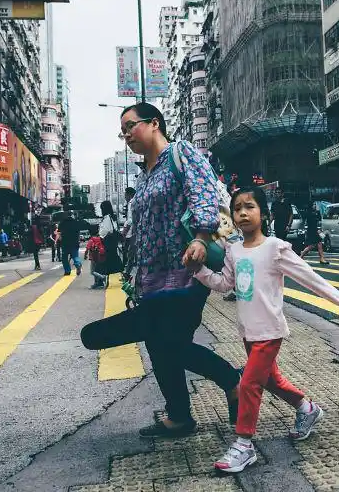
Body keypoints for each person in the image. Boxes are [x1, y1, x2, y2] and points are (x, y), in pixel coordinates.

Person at [81, 102, 242, 438]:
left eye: (130, 126)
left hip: (187, 269)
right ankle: (180, 416)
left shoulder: (180, 153)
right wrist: (132, 274)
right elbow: (141, 228)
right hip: (153, 276)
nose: (126, 135)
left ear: (154, 123)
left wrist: (200, 237)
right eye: (122, 131)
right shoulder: (146, 175)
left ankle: (232, 381)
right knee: (160, 344)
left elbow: (204, 194)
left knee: (168, 341)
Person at [194, 187, 339, 472]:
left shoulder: (275, 248)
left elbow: (310, 278)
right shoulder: (233, 251)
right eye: (237, 209)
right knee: (270, 380)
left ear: (264, 213)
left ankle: (244, 445)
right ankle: (307, 409)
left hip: (269, 331)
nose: (243, 213)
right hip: (248, 331)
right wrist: (198, 271)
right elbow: (225, 284)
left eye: (250, 206)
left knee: (248, 383)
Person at [57, 211, 85, 276]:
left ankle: (67, 271)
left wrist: (59, 240)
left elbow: (59, 232)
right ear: (72, 215)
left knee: (64, 258)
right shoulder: (75, 222)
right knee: (75, 256)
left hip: (65, 243)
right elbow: (78, 232)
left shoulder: (62, 222)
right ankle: (78, 264)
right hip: (74, 242)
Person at [122, 187, 137, 268]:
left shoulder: (131, 203)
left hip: (131, 233)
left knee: (129, 254)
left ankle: (127, 274)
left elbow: (130, 220)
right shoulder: (136, 201)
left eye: (125, 194)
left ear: (129, 194)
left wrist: (124, 231)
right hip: (134, 232)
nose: (125, 197)